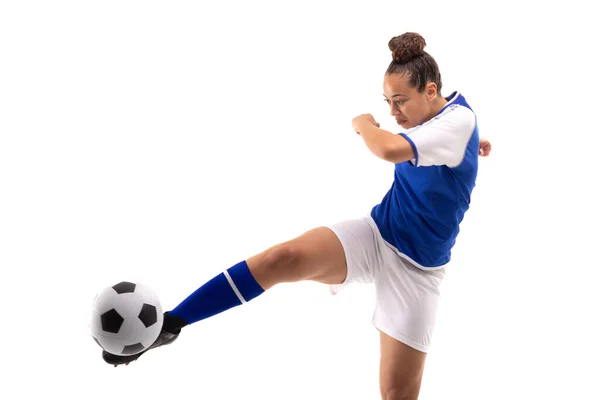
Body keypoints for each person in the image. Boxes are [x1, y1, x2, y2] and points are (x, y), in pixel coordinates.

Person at [101, 32, 491, 400]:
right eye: (386, 102)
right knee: (280, 259)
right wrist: (473, 148)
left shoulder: (458, 123)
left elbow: (389, 149)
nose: (391, 112)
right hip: (377, 233)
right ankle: (172, 324)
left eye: (400, 101)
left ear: (431, 91)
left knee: (395, 394)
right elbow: (446, 138)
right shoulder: (446, 121)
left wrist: (362, 124)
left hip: (418, 270)